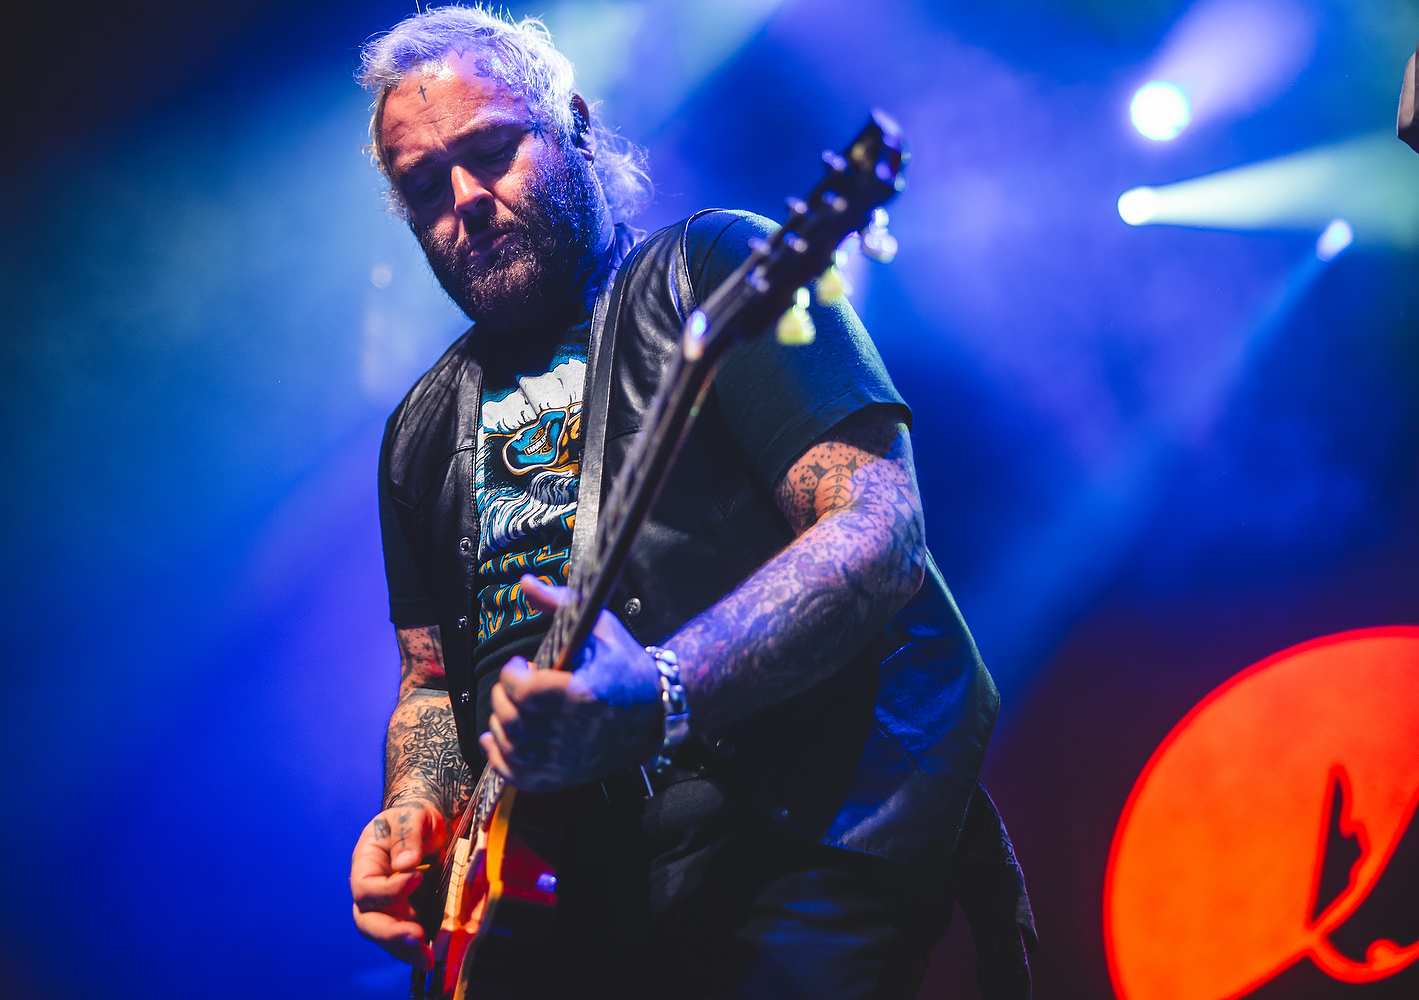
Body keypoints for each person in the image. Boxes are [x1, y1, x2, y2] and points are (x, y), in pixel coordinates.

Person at [346, 7, 1032, 998]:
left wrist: (662, 689)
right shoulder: (418, 432)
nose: (466, 200)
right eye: (424, 186)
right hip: (558, 905)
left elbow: (879, 527)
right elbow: (430, 683)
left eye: (492, 151)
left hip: (787, 835)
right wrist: (414, 809)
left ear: (577, 126)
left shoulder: (711, 275)